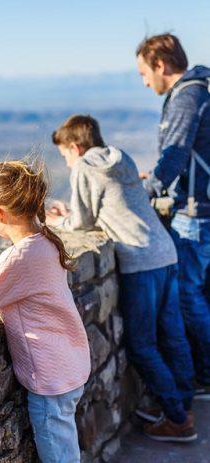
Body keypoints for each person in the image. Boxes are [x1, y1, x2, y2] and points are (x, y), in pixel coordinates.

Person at [47, 114, 197, 442]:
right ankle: (183, 405)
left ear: (75, 146)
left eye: (65, 155)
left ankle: (177, 420)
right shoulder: (121, 156)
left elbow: (83, 224)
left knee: (143, 345)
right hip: (165, 252)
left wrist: (58, 221)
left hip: (140, 261)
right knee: (173, 335)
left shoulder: (86, 166)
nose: (68, 163)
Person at [0, 160, 90, 463]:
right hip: (69, 366)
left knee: (62, 462)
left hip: (51, 381)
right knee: (66, 454)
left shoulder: (20, 257)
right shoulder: (45, 240)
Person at [136, 33, 210, 399]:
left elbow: (177, 154)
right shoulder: (197, 89)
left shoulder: (188, 94)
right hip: (196, 205)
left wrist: (144, 192)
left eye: (143, 72)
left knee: (188, 295)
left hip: (196, 211)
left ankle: (206, 376)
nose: (144, 80)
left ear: (160, 65)